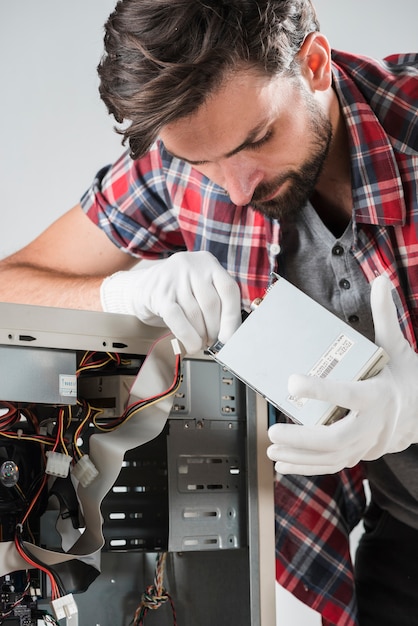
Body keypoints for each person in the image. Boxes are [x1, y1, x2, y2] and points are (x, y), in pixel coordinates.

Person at [0, 1, 417, 624]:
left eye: (257, 140)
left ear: (316, 64)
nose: (238, 189)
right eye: (204, 163)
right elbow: (10, 286)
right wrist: (117, 296)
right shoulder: (174, 167)